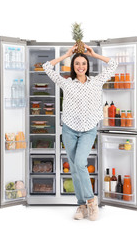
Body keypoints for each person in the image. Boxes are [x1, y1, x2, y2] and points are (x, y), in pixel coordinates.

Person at [42, 44, 118, 221]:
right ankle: (81, 205)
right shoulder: (66, 83)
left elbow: (113, 64)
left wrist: (95, 54)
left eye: (83, 63)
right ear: (73, 66)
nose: (81, 66)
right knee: (75, 169)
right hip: (69, 129)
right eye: (77, 64)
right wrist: (66, 54)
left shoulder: (97, 81)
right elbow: (47, 67)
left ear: (87, 66)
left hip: (88, 130)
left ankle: (91, 202)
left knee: (80, 163)